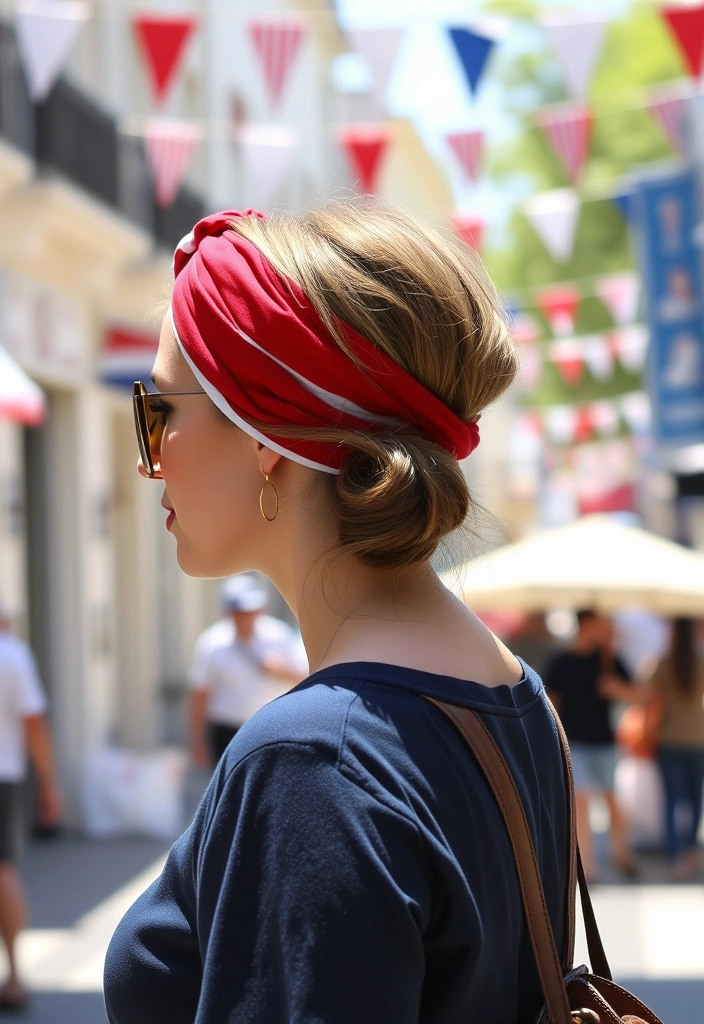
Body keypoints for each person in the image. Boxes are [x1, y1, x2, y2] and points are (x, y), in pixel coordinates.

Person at [105, 204, 572, 1023]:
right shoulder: (518, 697)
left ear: (264, 435)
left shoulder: (315, 759)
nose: (148, 461)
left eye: (160, 412)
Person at [545, 609, 638, 882]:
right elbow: (551, 704)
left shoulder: (609, 660)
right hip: (574, 741)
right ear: (586, 625)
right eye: (600, 624)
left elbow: (639, 694)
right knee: (581, 799)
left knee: (611, 798)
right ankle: (588, 864)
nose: (605, 629)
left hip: (605, 741)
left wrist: (616, 688)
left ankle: (622, 854)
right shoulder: (561, 661)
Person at [0, 605, 61, 1011]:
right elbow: (34, 723)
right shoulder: (12, 654)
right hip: (3, 773)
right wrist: (49, 783)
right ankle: (16, 975)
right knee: (3, 870)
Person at [188, 574, 307, 767]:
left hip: (270, 728)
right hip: (226, 731)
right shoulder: (212, 642)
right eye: (239, 611)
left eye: (250, 610)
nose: (246, 617)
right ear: (228, 613)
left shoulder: (279, 635)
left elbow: (306, 678)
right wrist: (197, 740)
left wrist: (281, 671)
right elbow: (200, 693)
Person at [647, 618, 704, 881]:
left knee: (672, 799)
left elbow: (648, 696)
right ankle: (690, 848)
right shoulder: (699, 662)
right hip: (696, 737)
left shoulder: (662, 663)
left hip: (668, 738)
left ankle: (676, 854)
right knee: (694, 799)